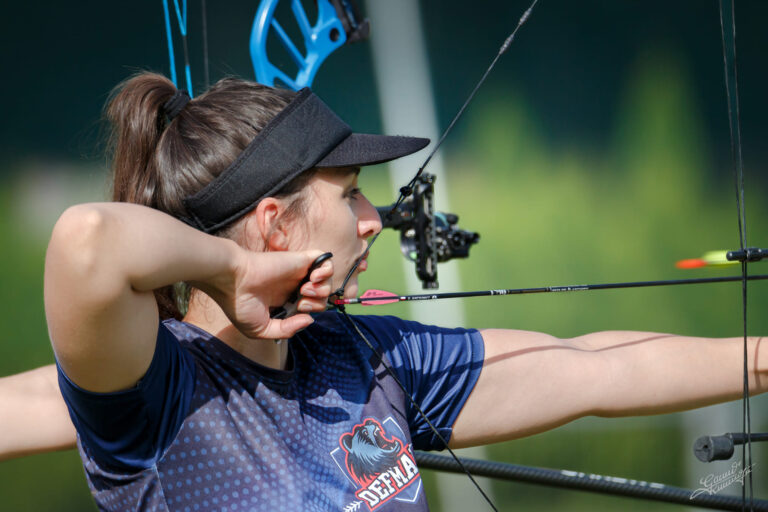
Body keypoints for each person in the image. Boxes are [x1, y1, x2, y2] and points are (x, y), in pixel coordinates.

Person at [3, 71, 766, 511]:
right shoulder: (153, 391)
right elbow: (87, 242)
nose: (374, 222)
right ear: (276, 224)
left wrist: (761, 359)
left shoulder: (368, 358)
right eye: (352, 196)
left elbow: (598, 366)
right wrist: (233, 272)